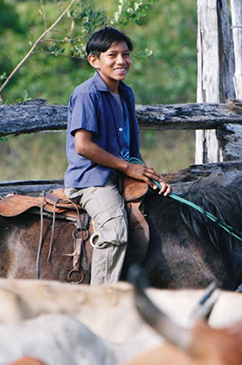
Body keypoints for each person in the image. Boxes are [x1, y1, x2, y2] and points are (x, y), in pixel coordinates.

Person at [64, 26, 171, 286]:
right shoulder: (87, 94)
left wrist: (148, 175)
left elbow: (130, 150)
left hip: (121, 173)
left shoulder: (125, 93)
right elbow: (84, 146)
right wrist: (127, 168)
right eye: (112, 55)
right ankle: (101, 302)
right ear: (94, 60)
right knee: (114, 233)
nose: (121, 61)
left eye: (126, 54)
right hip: (92, 179)